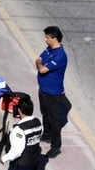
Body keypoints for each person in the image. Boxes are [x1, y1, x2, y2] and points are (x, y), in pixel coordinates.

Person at [35, 25, 71, 159]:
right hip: (43, 89)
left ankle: (56, 147)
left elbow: (42, 69)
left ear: (54, 38)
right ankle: (46, 134)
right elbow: (39, 59)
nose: (45, 40)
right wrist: (40, 63)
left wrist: (39, 64)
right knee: (45, 113)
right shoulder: (50, 50)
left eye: (47, 37)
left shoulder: (60, 55)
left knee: (54, 120)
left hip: (53, 93)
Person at [0, 96, 43, 169]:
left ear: (19, 110)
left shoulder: (19, 130)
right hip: (34, 163)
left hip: (21, 165)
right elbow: (39, 136)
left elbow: (17, 151)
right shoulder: (38, 122)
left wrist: (4, 158)